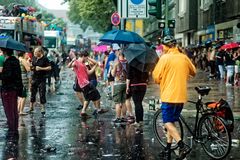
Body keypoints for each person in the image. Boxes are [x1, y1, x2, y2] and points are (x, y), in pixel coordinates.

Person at [152, 36, 196, 160]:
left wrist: (161, 79)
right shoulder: (183, 57)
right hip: (181, 97)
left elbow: (155, 77)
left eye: (163, 46)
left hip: (168, 96)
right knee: (171, 122)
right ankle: (168, 148)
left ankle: (182, 145)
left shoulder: (164, 58)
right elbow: (193, 72)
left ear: (166, 46)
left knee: (167, 122)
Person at [68, 50, 108, 118]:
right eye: (86, 57)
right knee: (97, 95)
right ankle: (98, 109)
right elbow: (69, 66)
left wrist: (95, 66)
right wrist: (72, 61)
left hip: (85, 83)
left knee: (88, 98)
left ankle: (83, 112)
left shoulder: (84, 64)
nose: (87, 59)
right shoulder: (77, 62)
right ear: (83, 56)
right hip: (85, 83)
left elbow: (89, 73)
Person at [0, 48, 23, 138]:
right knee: (13, 110)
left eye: (2, 51)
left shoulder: (8, 62)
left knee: (9, 110)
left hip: (8, 89)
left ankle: (12, 130)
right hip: (14, 89)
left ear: (5, 52)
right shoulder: (15, 61)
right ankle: (14, 129)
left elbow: (7, 76)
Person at [126, 65, 149, 133]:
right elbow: (147, 76)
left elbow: (128, 76)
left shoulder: (132, 64)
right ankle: (141, 120)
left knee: (137, 103)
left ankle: (138, 121)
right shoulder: (144, 63)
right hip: (143, 85)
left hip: (134, 86)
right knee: (140, 103)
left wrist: (127, 87)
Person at [29, 47, 51, 114]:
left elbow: (49, 67)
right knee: (33, 93)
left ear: (40, 52)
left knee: (42, 93)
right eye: (34, 52)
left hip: (42, 78)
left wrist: (41, 68)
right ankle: (31, 107)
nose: (34, 54)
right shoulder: (34, 58)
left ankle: (42, 108)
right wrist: (31, 66)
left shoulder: (45, 59)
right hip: (34, 78)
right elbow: (32, 66)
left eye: (36, 52)